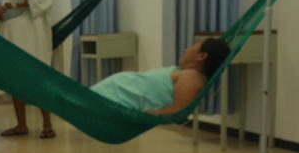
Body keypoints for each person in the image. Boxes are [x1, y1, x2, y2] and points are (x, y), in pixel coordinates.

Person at [0, 0, 56, 139]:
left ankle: (47, 125)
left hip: (36, 39)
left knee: (40, 80)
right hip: (12, 40)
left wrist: (15, 5)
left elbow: (41, 4)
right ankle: (21, 125)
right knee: (16, 81)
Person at [92, 38, 230, 114]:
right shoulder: (185, 73)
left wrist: (145, 117)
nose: (186, 49)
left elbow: (178, 112)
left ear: (201, 56)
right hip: (112, 95)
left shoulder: (192, 78)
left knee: (74, 104)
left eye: (193, 46)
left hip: (116, 100)